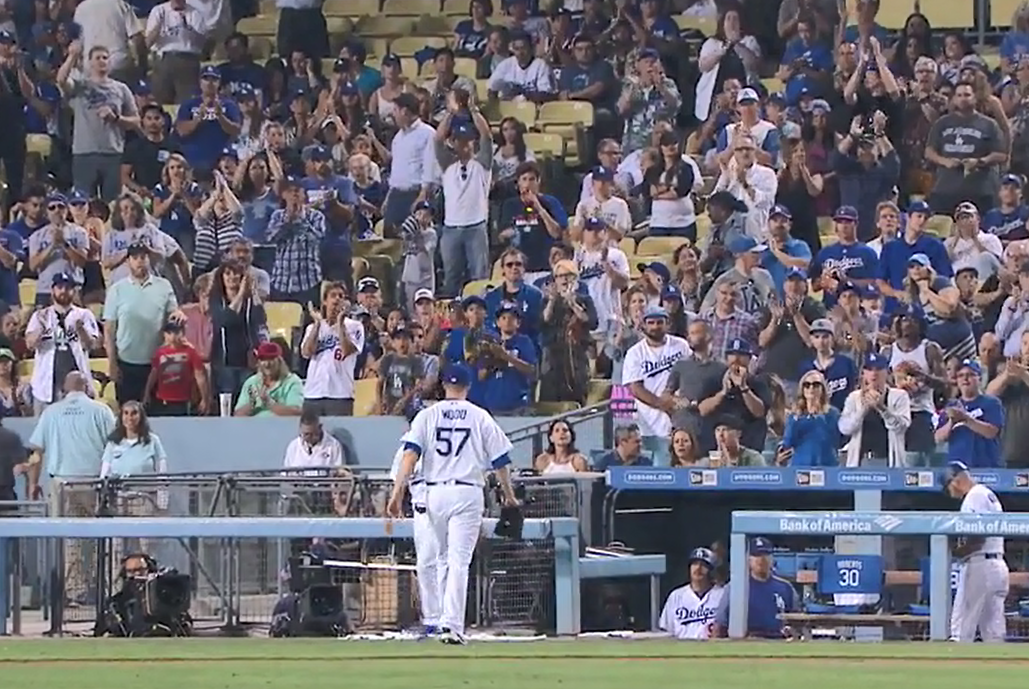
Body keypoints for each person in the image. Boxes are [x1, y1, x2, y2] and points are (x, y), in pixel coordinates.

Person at [386, 363, 520, 646]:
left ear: (444, 385)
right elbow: (501, 461)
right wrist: (509, 496)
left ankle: (440, 620)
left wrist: (397, 493)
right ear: (468, 386)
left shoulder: (427, 415)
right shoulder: (479, 415)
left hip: (435, 493)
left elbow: (410, 455)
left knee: (441, 559)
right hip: (467, 492)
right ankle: (451, 625)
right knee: (458, 561)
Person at [27, 372, 117, 601]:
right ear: (87, 387)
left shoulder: (51, 412)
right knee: (102, 536)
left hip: (62, 483)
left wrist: (33, 484)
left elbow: (37, 453)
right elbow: (115, 447)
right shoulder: (101, 410)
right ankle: (104, 589)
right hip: (95, 483)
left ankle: (75, 591)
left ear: (63, 389)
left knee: (69, 539)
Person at [103, 242, 182, 404]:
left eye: (143, 257)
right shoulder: (116, 289)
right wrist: (112, 363)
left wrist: (178, 314)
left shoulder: (164, 286)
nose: (139, 261)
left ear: (149, 259)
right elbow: (109, 330)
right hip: (126, 363)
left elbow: (173, 315)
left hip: (157, 362)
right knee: (128, 411)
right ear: (128, 261)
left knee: (157, 411)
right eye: (135, 257)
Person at [941, 461, 1010, 643]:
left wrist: (958, 552)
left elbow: (978, 535)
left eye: (948, 487)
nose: (950, 493)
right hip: (998, 564)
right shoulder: (987, 493)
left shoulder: (974, 496)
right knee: (993, 630)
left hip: (980, 565)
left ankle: (956, 659)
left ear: (954, 481)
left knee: (962, 627)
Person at [388, 408, 440, 636]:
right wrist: (396, 500)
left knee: (448, 565)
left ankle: (451, 618)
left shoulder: (441, 445)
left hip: (445, 510)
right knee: (426, 566)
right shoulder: (405, 449)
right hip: (422, 513)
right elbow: (399, 479)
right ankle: (432, 619)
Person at [622, 306, 691, 466]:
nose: (655, 326)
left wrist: (679, 404)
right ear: (643, 325)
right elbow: (635, 388)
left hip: (679, 415)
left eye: (659, 322)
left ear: (668, 323)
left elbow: (690, 374)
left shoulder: (681, 345)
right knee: (658, 469)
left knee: (683, 465)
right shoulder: (635, 353)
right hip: (649, 420)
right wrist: (663, 405)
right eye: (651, 322)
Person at [300, 282, 364, 416]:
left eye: (341, 296)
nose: (337, 299)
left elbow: (347, 351)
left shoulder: (355, 326)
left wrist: (340, 322)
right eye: (333, 295)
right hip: (313, 393)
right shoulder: (312, 328)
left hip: (340, 394)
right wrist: (317, 324)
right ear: (325, 301)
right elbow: (307, 352)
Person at [713, 537, 797, 639]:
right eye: (756, 555)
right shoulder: (736, 587)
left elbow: (797, 621)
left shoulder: (785, 587)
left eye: (765, 554)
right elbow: (720, 624)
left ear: (772, 558)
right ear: (748, 559)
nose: (761, 559)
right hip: (747, 641)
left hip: (779, 640)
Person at [838, 353, 912, 467]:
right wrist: (862, 410)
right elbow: (844, 428)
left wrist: (882, 408)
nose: (874, 373)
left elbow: (902, 427)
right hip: (861, 462)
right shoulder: (854, 397)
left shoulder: (899, 396)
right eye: (869, 369)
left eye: (878, 369)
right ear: (864, 373)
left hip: (889, 461)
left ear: (887, 372)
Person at [935, 360, 1003, 469]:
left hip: (986, 466)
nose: (965, 379)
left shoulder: (991, 403)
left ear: (979, 378)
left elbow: (991, 432)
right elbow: (938, 437)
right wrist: (952, 422)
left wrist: (966, 419)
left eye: (970, 375)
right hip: (957, 467)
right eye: (960, 375)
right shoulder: (952, 405)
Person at [659, 547, 725, 640]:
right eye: (694, 564)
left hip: (711, 646)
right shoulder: (676, 596)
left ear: (711, 570)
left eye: (703, 565)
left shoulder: (722, 595)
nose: (698, 568)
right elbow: (665, 630)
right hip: (680, 646)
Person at [143, 320, 208, 416]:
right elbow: (154, 374)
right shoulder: (160, 352)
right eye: (168, 333)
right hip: (162, 400)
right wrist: (147, 393)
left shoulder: (191, 352)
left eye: (175, 332)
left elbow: (200, 376)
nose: (172, 336)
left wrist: (204, 398)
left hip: (183, 401)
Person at [781, 369, 840, 467]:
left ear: (822, 389)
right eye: (807, 385)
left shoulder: (832, 413)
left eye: (816, 385)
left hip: (827, 466)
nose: (811, 388)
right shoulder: (795, 415)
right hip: (801, 466)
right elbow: (788, 442)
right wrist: (796, 419)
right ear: (802, 389)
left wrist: (818, 417)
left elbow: (836, 440)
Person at [234, 341, 304, 417]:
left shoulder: (292, 382)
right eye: (263, 359)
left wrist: (269, 403)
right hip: (255, 424)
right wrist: (253, 403)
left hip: (281, 424)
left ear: (280, 361)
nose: (267, 364)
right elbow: (238, 415)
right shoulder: (251, 383)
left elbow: (296, 413)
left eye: (271, 359)